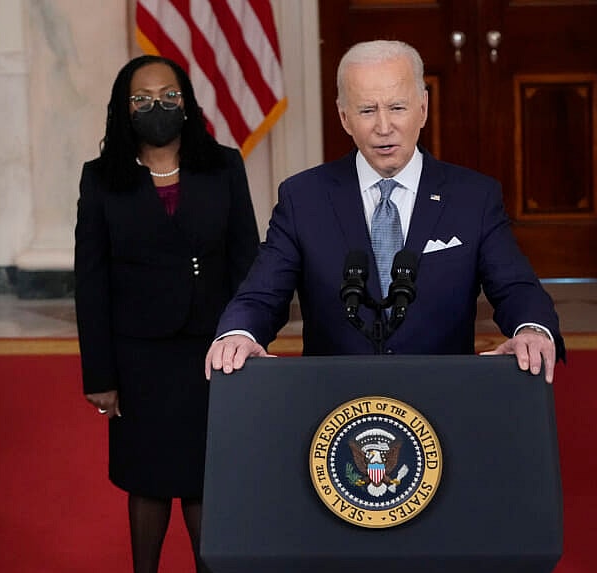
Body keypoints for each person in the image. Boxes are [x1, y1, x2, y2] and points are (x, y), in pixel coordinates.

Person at [205, 39, 564, 378]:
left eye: (397, 107)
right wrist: (240, 333)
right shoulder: (304, 197)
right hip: (335, 403)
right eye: (366, 110)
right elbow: (262, 293)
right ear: (344, 117)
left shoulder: (473, 196)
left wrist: (531, 329)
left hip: (440, 398)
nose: (383, 126)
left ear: (422, 108)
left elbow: (516, 287)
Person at [74, 55, 259, 573]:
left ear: (187, 100)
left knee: (205, 479)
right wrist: (99, 375)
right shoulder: (101, 178)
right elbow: (91, 282)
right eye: (142, 98)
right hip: (139, 356)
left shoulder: (224, 166)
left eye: (168, 94)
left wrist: (248, 339)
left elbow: (246, 262)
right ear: (124, 110)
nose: (157, 106)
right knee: (150, 481)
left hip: (213, 349)